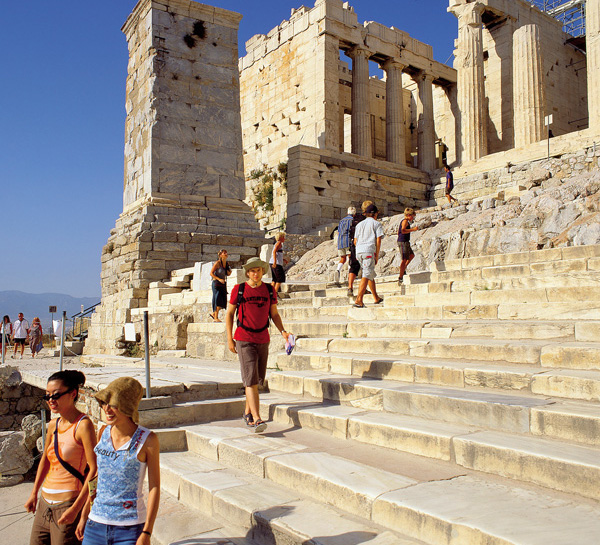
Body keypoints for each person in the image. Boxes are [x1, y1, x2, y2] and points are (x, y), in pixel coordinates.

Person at [77, 377, 160, 545]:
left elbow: (154, 487)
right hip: (95, 525)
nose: (106, 409)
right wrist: (84, 514)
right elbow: (98, 479)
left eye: (113, 404)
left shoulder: (148, 440)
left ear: (127, 406)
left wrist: (147, 532)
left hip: (130, 529)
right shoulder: (102, 433)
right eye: (104, 402)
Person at [25, 370, 97, 545]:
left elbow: (94, 470)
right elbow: (45, 460)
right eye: (47, 396)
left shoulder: (83, 425)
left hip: (67, 504)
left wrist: (78, 509)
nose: (51, 400)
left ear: (73, 394)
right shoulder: (53, 424)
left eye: (56, 395)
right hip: (44, 503)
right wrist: (34, 493)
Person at [225, 257, 291, 433]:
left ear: (263, 272)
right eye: (252, 271)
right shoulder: (239, 290)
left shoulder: (269, 290)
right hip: (244, 338)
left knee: (256, 380)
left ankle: (247, 413)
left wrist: (283, 331)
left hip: (263, 338)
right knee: (250, 380)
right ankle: (257, 418)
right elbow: (230, 314)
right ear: (248, 272)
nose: (256, 274)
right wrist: (230, 339)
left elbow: (274, 314)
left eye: (259, 270)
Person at [353, 204, 384, 308]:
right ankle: (359, 300)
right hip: (368, 251)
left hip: (359, 252)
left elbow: (355, 241)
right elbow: (378, 240)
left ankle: (376, 297)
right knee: (366, 274)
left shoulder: (359, 225)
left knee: (369, 273)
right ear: (375, 214)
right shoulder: (377, 224)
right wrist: (376, 255)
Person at [347, 200, 372, 297]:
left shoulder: (355, 218)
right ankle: (363, 289)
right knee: (365, 268)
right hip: (364, 246)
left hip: (354, 245)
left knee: (353, 266)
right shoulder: (368, 220)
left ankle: (350, 288)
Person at [209, 249, 232, 322]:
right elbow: (211, 273)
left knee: (222, 299)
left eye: (226, 252)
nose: (226, 253)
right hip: (216, 283)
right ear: (220, 255)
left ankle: (214, 314)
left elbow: (228, 273)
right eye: (224, 253)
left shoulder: (226, 264)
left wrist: (229, 271)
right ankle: (215, 317)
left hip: (223, 284)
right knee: (217, 298)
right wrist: (218, 279)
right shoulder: (217, 263)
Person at [335, 207, 355, 285]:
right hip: (348, 241)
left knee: (342, 258)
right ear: (354, 214)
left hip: (340, 242)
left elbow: (339, 231)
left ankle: (338, 270)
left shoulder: (341, 221)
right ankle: (350, 275)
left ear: (347, 213)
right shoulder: (352, 220)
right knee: (350, 258)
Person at [398, 207, 418, 285]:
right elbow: (403, 230)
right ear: (409, 215)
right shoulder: (405, 221)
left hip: (405, 241)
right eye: (412, 216)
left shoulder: (405, 221)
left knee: (411, 255)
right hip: (403, 242)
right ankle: (400, 277)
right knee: (404, 259)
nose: (413, 218)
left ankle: (403, 269)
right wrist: (413, 229)